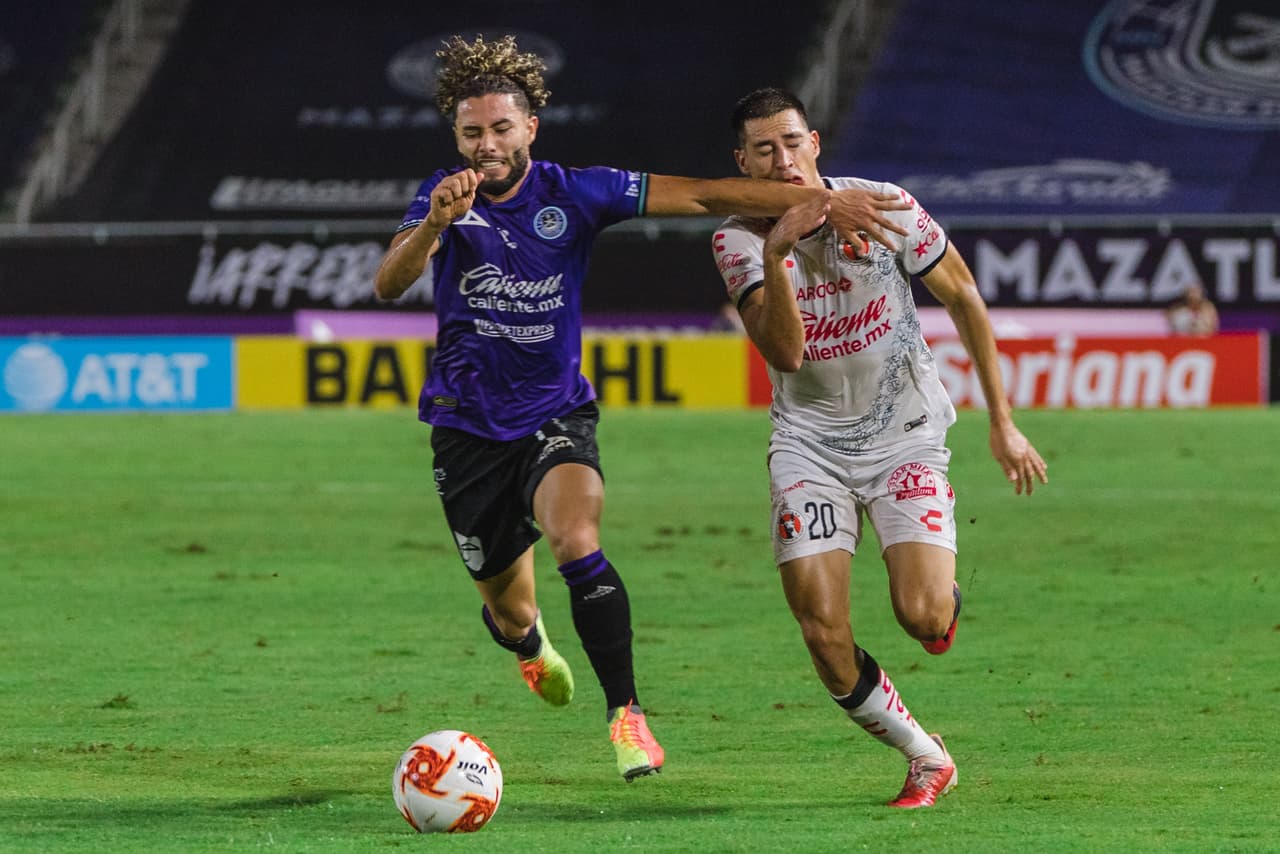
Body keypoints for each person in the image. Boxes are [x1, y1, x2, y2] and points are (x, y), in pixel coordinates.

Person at [373, 36, 911, 782]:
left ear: (530, 128)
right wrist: (432, 224)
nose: (487, 145)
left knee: (576, 538)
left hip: (555, 414)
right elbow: (389, 283)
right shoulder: (442, 200)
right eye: (472, 133)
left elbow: (705, 194)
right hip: (465, 429)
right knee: (510, 611)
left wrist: (818, 200)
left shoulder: (577, 191)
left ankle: (626, 715)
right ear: (457, 138)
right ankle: (530, 647)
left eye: (501, 129)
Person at [711, 88, 1048, 807]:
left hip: (905, 439)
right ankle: (926, 758)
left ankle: (940, 593)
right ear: (741, 162)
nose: (783, 159)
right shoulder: (737, 239)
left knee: (923, 616)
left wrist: (1003, 421)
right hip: (809, 448)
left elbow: (963, 296)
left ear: (816, 143)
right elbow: (787, 354)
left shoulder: (884, 204)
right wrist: (780, 250)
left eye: (792, 142)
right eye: (764, 150)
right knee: (822, 635)